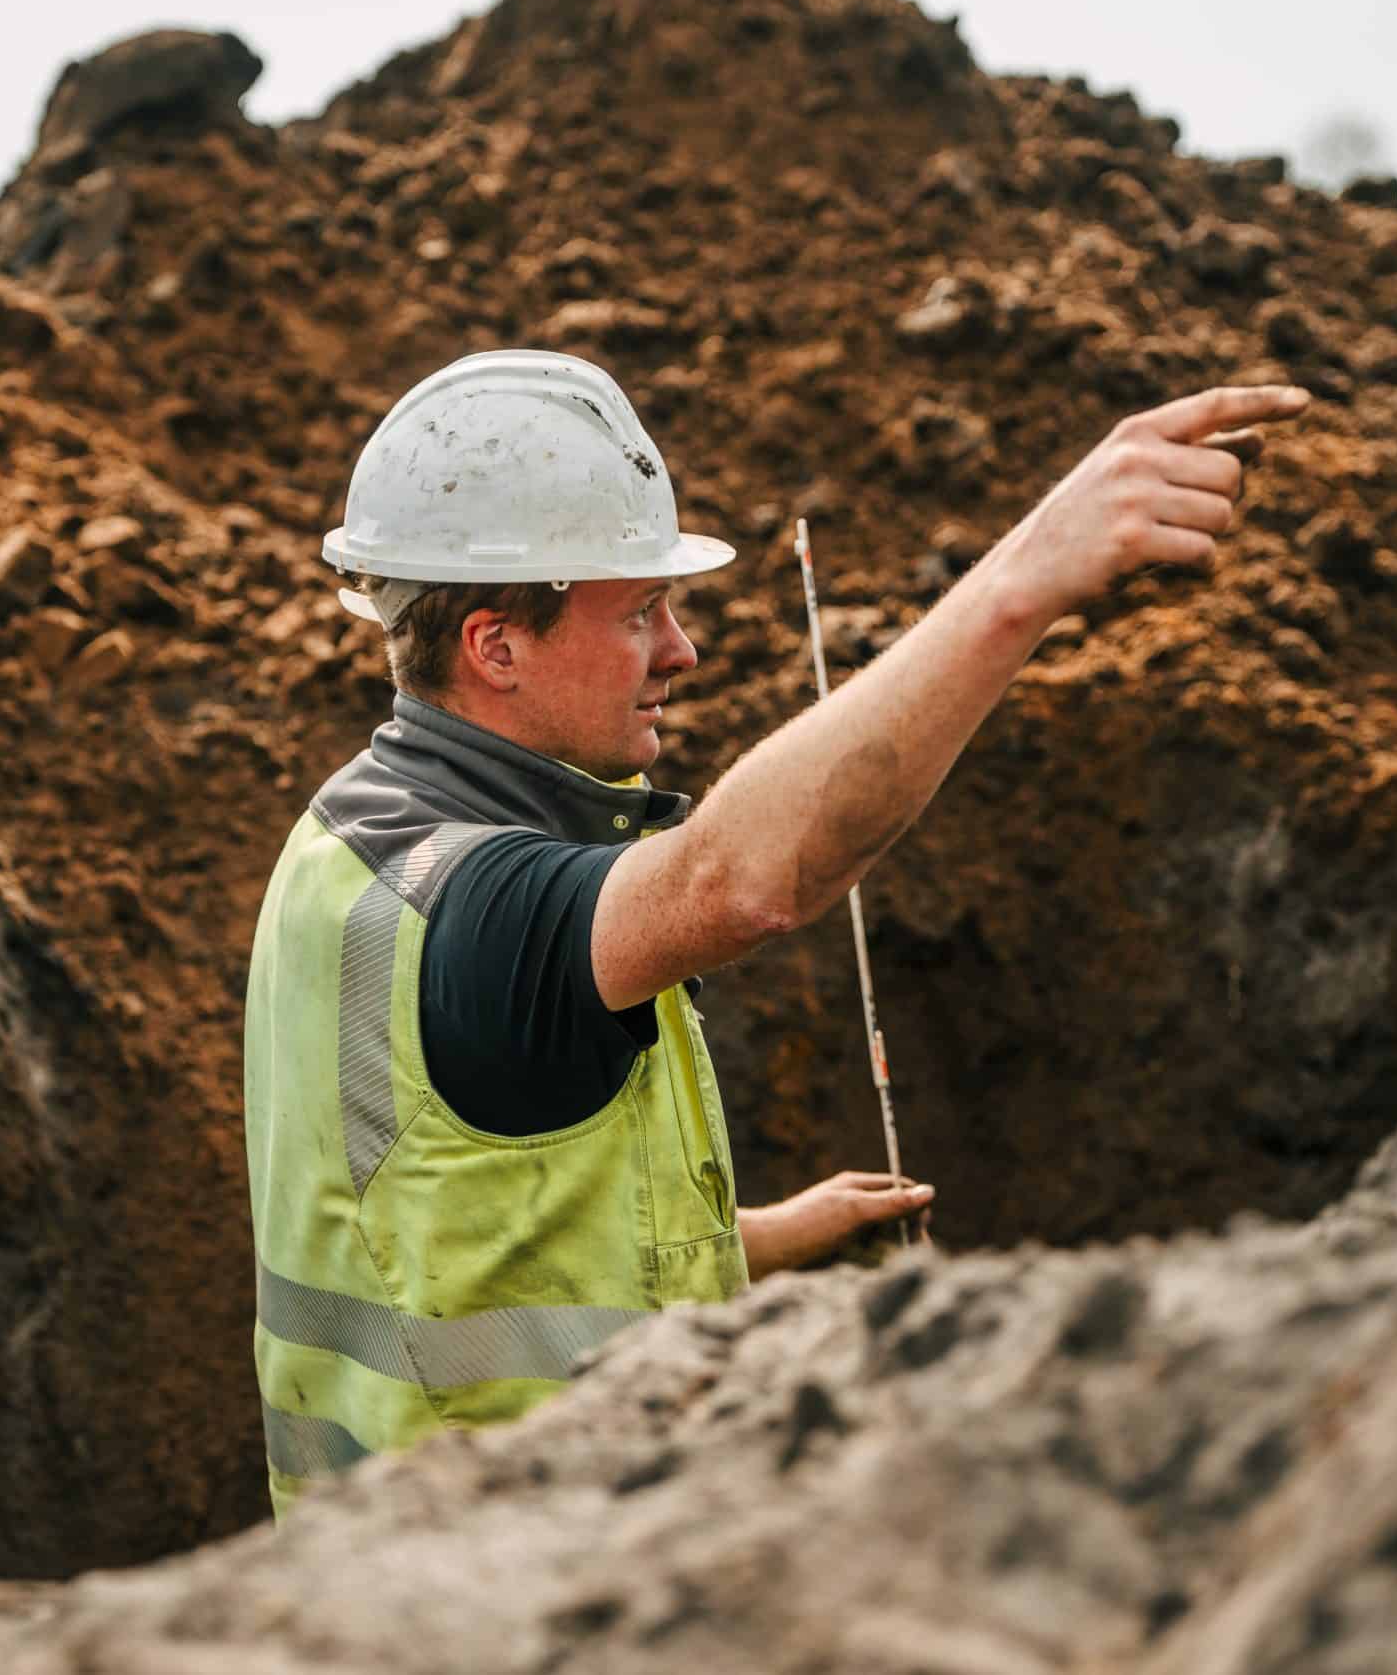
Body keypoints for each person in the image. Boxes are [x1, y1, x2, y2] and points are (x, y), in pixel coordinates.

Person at [242, 349, 1306, 1510]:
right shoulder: (477, 911)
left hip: (385, 1563)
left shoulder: (347, 838)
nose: (681, 650)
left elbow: (464, 1250)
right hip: (514, 1577)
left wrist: (761, 1240)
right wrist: (1026, 582)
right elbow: (738, 882)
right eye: (639, 612)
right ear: (494, 646)